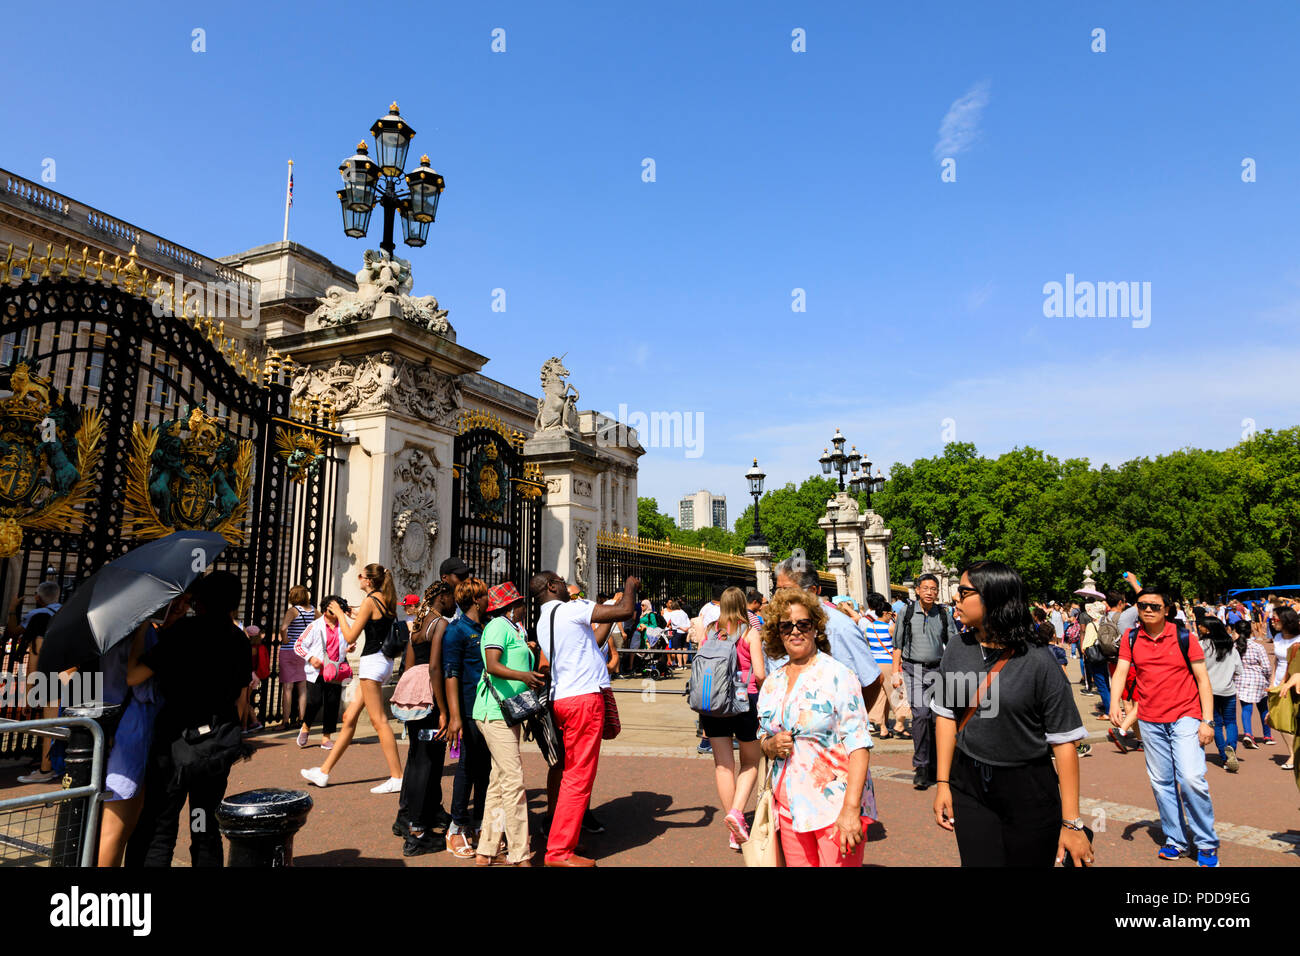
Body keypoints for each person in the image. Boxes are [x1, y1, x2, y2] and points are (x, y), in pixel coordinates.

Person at [931, 562, 1092, 866]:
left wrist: (1071, 823)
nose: (955, 598)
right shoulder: (956, 648)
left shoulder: (1038, 661)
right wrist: (943, 783)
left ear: (993, 597)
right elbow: (946, 717)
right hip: (970, 786)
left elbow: (1064, 743)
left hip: (1028, 789)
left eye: (964, 592)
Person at [124, 572, 251, 867]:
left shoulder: (184, 632)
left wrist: (144, 630)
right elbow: (241, 700)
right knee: (203, 824)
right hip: (214, 746)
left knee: (162, 825)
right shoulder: (238, 639)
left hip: (175, 743)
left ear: (200, 602)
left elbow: (133, 675)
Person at [756, 588, 874, 867]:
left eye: (803, 624)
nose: (795, 631)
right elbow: (761, 734)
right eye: (786, 626)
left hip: (834, 807)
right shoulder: (773, 681)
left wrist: (851, 809)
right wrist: (769, 745)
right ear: (777, 632)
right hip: (789, 807)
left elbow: (859, 744)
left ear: (816, 628)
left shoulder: (838, 676)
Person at [530, 570, 640, 866]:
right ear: (552, 586)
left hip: (563, 698)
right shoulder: (571, 609)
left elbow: (593, 639)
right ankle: (560, 851)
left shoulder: (544, 619)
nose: (569, 588)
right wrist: (629, 586)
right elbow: (626, 610)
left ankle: (565, 838)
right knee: (579, 775)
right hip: (583, 700)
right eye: (562, 583)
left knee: (571, 772)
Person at [1108, 587, 1220, 866]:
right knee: (1162, 783)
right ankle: (1176, 839)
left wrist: (1207, 721)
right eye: (1142, 605)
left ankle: (1205, 842)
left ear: (1167, 610)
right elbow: (1121, 670)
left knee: (1192, 779)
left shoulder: (1184, 637)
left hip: (1185, 715)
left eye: (1155, 606)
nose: (1147, 610)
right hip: (1149, 719)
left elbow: (1203, 680)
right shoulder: (1131, 638)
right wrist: (1114, 704)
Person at [300, 564, 404, 793]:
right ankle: (324, 772)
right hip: (383, 662)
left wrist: (338, 614)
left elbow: (349, 636)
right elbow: (371, 620)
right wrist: (349, 612)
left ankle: (397, 776)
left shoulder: (370, 600)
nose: (358, 578)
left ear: (368, 581)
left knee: (379, 721)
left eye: (361, 576)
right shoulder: (385, 598)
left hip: (372, 663)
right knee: (348, 717)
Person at [472, 582, 545, 866]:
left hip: (509, 712)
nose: (525, 607)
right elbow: (492, 665)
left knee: (499, 782)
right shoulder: (497, 628)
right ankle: (518, 852)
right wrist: (523, 676)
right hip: (494, 711)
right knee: (514, 782)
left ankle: (486, 849)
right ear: (511, 606)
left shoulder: (513, 629)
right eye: (521, 603)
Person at [698, 586, 765, 851]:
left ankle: (733, 824)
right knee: (750, 761)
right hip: (743, 697)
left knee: (722, 765)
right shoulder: (750, 633)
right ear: (743, 606)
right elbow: (759, 673)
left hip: (713, 701)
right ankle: (737, 813)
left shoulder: (711, 630)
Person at [392, 581, 455, 855]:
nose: (454, 602)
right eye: (451, 597)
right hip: (430, 700)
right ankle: (417, 833)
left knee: (418, 760)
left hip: (414, 700)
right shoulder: (439, 624)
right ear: (442, 597)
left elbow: (408, 666)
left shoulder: (418, 624)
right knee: (429, 763)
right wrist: (443, 709)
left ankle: (410, 821)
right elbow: (434, 666)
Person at [889, 572, 958, 789]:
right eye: (926, 588)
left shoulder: (944, 614)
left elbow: (954, 644)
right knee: (920, 715)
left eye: (934, 589)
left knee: (938, 718)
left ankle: (937, 763)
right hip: (913, 669)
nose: (930, 592)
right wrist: (895, 672)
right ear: (917, 590)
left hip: (938, 670)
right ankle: (921, 765)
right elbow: (898, 645)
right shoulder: (906, 613)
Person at [443, 577, 492, 859]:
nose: (488, 599)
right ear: (476, 599)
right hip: (469, 707)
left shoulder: (484, 627)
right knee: (467, 767)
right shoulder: (457, 631)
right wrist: (454, 717)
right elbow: (451, 673)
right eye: (485, 595)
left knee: (484, 767)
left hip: (488, 708)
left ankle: (480, 820)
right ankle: (457, 825)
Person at [12, 582, 62, 784]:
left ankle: (45, 769)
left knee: (48, 726)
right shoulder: (64, 612)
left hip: (49, 679)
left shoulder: (38, 622)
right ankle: (55, 764)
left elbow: (33, 660)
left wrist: (29, 695)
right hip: (71, 675)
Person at [293, 596, 350, 752]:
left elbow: (350, 641)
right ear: (327, 609)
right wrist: (310, 658)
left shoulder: (344, 625)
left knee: (332, 703)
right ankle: (305, 727)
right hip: (317, 671)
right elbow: (298, 645)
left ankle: (326, 738)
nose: (339, 612)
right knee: (314, 701)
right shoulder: (315, 626)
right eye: (335, 609)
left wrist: (350, 647)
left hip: (336, 671)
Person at [1199, 619, 1243, 773]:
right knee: (1231, 721)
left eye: (1202, 625)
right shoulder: (1231, 646)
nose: (1199, 627)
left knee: (1216, 723)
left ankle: (1224, 756)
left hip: (1208, 691)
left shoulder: (1202, 646)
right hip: (1228, 689)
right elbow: (1239, 670)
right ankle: (1231, 746)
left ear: (1209, 630)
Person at [277, 586, 314, 734]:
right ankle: (302, 719)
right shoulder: (312, 610)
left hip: (289, 651)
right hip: (304, 652)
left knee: (288, 688)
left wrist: (285, 640)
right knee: (303, 688)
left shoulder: (293, 611)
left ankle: (285, 721)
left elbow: (283, 628)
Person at [1235, 623, 1274, 749]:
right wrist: (1268, 678)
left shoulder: (1234, 647)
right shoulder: (1258, 647)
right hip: (1258, 679)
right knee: (1263, 708)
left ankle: (1248, 733)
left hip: (1241, 679)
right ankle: (1267, 736)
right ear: (1250, 631)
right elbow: (1267, 667)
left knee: (1246, 709)